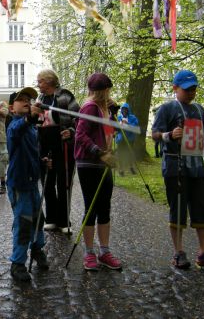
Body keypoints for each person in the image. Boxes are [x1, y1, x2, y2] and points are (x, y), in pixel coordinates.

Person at [152, 70, 204, 269]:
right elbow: (154, 134)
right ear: (175, 88)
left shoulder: (199, 110)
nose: (191, 92)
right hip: (176, 167)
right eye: (187, 89)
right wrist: (169, 134)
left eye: (193, 89)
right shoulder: (166, 109)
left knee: (202, 207)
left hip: (197, 167)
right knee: (179, 209)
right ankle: (178, 252)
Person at [74, 73, 122, 271]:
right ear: (97, 91)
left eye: (107, 89)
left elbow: (109, 132)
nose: (107, 93)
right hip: (89, 163)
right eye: (104, 89)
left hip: (104, 163)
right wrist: (97, 151)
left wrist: (114, 115)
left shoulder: (106, 109)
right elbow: (80, 134)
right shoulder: (90, 107)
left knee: (104, 207)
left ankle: (105, 251)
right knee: (91, 208)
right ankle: (89, 252)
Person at [6, 87, 50, 282]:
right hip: (19, 184)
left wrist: (43, 162)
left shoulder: (32, 128)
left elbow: (32, 153)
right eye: (21, 99)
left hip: (33, 183)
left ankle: (37, 250)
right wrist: (29, 118)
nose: (26, 102)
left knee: (38, 218)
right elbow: (17, 131)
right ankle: (17, 263)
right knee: (24, 222)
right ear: (11, 108)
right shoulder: (15, 125)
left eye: (29, 99)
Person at [36, 69, 80, 233]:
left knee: (64, 182)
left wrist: (71, 131)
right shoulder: (40, 99)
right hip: (45, 145)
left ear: (49, 81)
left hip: (63, 145)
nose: (38, 84)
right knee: (47, 182)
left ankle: (64, 220)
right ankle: (52, 218)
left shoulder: (64, 95)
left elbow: (78, 118)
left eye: (40, 81)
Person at [115, 103, 139, 176]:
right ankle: (121, 169)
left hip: (130, 139)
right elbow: (116, 128)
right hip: (121, 139)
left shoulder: (133, 117)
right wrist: (119, 126)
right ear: (121, 110)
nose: (124, 111)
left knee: (130, 153)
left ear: (128, 110)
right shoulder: (118, 117)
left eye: (126, 109)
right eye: (123, 109)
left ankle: (131, 167)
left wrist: (127, 124)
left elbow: (135, 127)